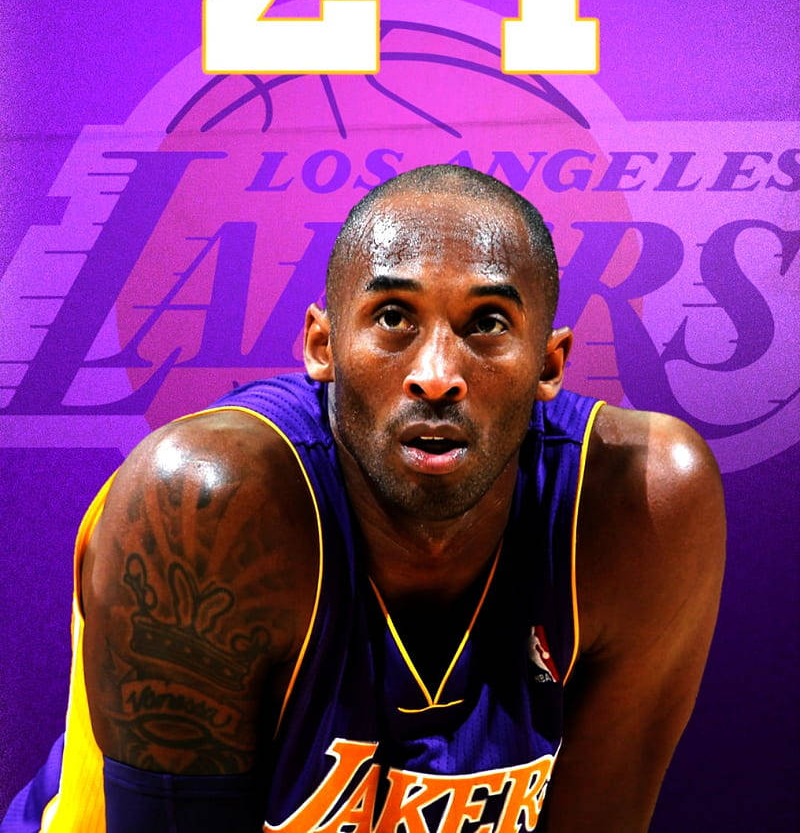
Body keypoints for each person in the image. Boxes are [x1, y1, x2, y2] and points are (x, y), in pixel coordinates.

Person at [3, 164, 726, 832]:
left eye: (487, 324)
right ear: (322, 347)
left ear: (549, 363)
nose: (437, 374)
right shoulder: (204, 503)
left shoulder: (644, 502)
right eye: (393, 318)